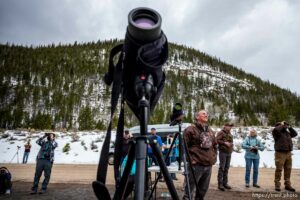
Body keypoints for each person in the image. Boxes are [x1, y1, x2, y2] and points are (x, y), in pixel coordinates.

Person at [183, 110, 217, 200]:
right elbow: (183, 146)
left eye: (206, 114)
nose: (206, 115)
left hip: (208, 165)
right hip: (196, 165)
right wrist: (190, 160)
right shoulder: (190, 129)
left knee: (202, 191)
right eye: (203, 114)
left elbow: (215, 145)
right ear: (197, 117)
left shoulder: (210, 131)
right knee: (189, 190)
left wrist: (214, 158)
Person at [272, 121, 298, 192]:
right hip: (280, 153)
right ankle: (277, 185)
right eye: (282, 125)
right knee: (279, 169)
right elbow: (277, 129)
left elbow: (295, 134)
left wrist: (289, 127)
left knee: (288, 169)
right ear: (279, 126)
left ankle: (287, 185)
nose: (284, 126)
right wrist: (282, 125)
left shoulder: (287, 133)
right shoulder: (276, 132)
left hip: (288, 153)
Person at [216, 122, 234, 191]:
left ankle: (225, 183)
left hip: (229, 152)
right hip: (223, 152)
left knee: (226, 168)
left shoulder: (230, 134)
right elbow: (216, 140)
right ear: (225, 126)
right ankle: (220, 184)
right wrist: (224, 143)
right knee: (222, 168)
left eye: (231, 126)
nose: (230, 127)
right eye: (229, 126)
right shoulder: (221, 132)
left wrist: (231, 145)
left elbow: (231, 141)